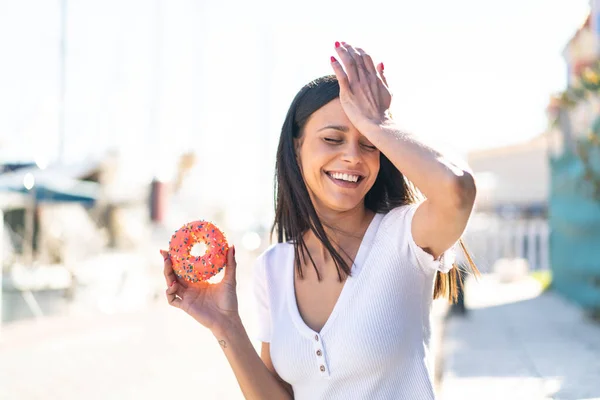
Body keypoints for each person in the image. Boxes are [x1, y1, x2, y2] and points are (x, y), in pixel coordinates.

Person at [160, 41, 477, 399]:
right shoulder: (272, 268)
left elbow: (456, 189)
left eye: (369, 143)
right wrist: (227, 326)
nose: (352, 156)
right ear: (297, 147)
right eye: (332, 139)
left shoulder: (406, 238)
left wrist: (379, 123)